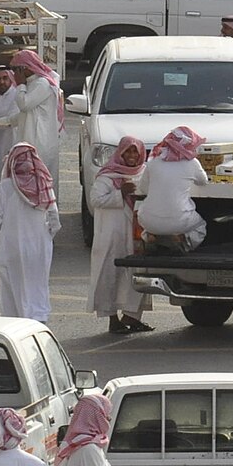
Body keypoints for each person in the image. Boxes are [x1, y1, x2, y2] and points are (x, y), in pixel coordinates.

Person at [0, 142, 59, 323]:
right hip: (39, 247)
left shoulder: (7, 186)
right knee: (37, 283)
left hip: (11, 246)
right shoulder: (43, 184)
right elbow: (54, 218)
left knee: (11, 283)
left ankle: (15, 321)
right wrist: (46, 237)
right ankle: (38, 318)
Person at [86, 137, 149, 334]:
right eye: (127, 152)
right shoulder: (107, 176)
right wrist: (119, 193)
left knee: (138, 274)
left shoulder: (144, 173)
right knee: (110, 275)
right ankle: (113, 319)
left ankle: (132, 316)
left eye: (135, 153)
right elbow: (95, 199)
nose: (131, 157)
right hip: (111, 235)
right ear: (120, 154)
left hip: (136, 232)